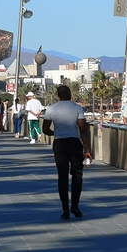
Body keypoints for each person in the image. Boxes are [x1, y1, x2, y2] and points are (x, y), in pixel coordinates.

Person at [42, 85, 93, 219]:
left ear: (58, 95)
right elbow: (83, 130)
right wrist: (87, 149)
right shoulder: (77, 108)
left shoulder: (51, 109)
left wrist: (57, 132)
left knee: (62, 176)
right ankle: (75, 206)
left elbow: (45, 130)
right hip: (74, 143)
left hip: (59, 144)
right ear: (70, 94)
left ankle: (65, 209)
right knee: (77, 174)